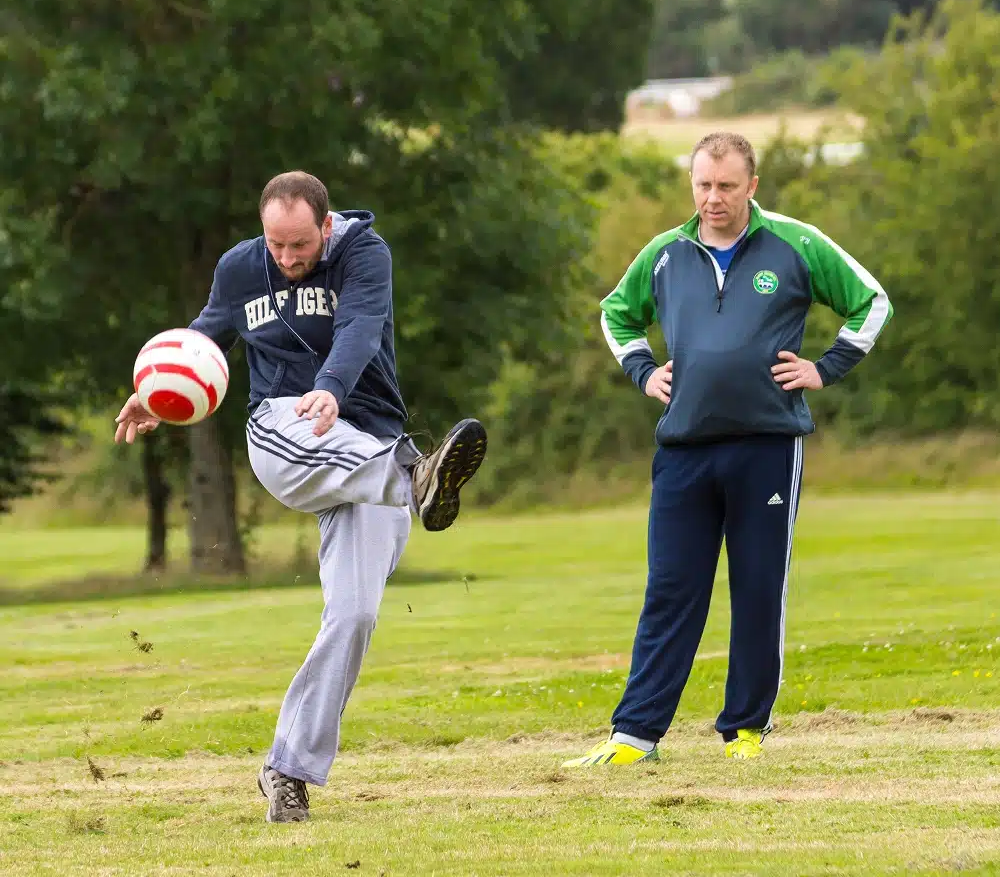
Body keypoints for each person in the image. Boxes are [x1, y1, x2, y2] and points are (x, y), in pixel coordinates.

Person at [114, 170, 487, 820]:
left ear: (327, 225)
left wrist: (335, 388)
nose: (286, 260)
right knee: (322, 437)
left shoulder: (364, 254)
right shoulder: (240, 268)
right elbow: (205, 340)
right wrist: (157, 393)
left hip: (361, 442)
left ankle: (287, 769)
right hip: (283, 434)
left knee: (354, 618)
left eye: (299, 246)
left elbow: (362, 328)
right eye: (275, 245)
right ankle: (416, 481)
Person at [562, 132, 892, 767]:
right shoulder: (666, 253)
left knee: (758, 585)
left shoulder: (796, 244)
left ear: (752, 187)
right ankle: (635, 737)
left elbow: (871, 301)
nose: (713, 199)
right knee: (671, 588)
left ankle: (745, 730)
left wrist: (828, 366)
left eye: (726, 187)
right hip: (684, 450)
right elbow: (616, 314)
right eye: (703, 186)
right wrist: (642, 371)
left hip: (767, 446)